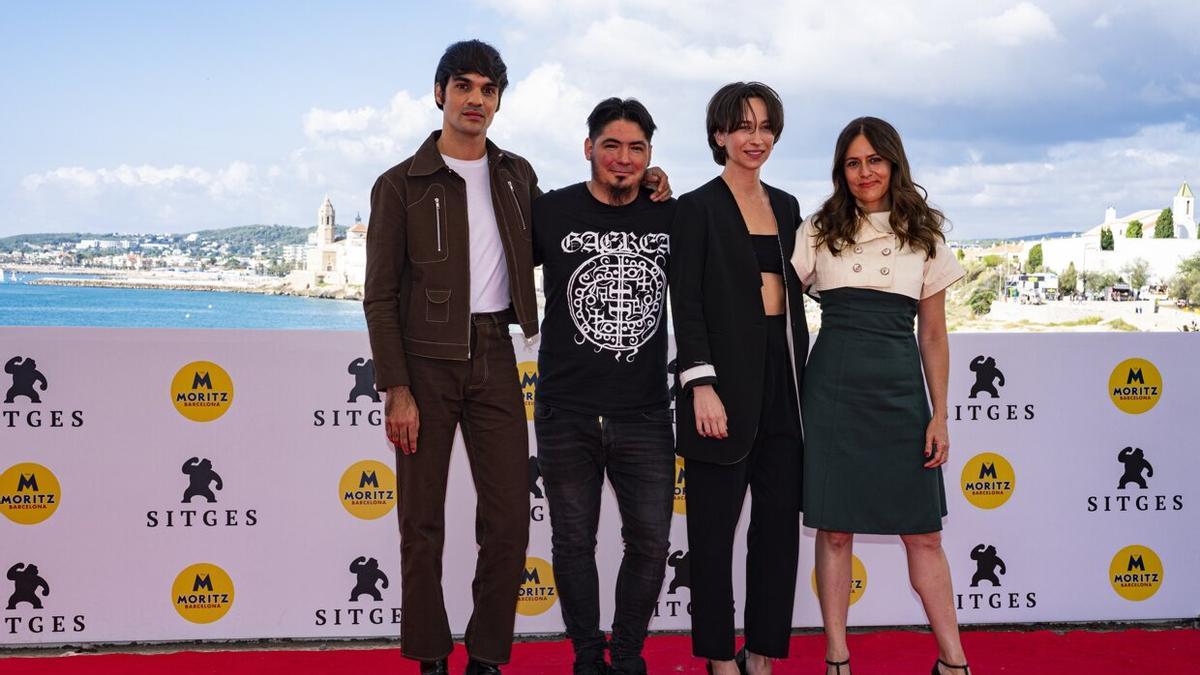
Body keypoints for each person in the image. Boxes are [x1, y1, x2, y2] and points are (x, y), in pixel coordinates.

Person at [363, 40, 670, 675]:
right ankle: (428, 655)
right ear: (440, 93)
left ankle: (486, 656)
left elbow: (570, 230)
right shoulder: (399, 184)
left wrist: (651, 187)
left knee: (507, 522)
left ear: (499, 100)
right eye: (464, 86)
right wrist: (396, 387)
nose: (476, 99)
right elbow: (379, 295)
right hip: (423, 365)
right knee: (421, 523)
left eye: (488, 89)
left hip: (496, 356)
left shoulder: (517, 175)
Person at [790, 117, 970, 675]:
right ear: (840, 170)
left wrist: (939, 414)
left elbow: (933, 333)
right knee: (835, 530)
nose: (864, 172)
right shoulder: (817, 228)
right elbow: (773, 299)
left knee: (923, 534)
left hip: (900, 395)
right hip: (833, 392)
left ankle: (954, 660)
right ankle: (838, 656)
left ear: (894, 162)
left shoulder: (925, 234)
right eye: (852, 162)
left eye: (874, 160)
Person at [532, 97, 676, 675]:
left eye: (636, 148)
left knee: (650, 545)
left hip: (644, 412)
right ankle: (588, 657)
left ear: (650, 156)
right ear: (588, 147)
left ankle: (628, 655)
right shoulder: (549, 211)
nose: (623, 159)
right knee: (572, 545)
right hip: (564, 409)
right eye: (611, 145)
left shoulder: (671, 214)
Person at [670, 82, 808, 675]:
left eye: (766, 127)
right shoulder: (695, 208)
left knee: (777, 532)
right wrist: (701, 384)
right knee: (712, 534)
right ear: (719, 135)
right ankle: (719, 656)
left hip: (786, 383)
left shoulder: (787, 206)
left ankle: (763, 652)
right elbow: (687, 303)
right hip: (719, 387)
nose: (756, 139)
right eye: (743, 127)